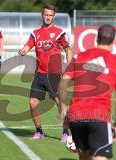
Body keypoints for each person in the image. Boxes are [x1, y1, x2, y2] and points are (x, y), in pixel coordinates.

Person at [58, 25, 116, 160]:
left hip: (76, 117)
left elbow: (61, 86)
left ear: (97, 38)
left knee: (84, 158)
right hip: (99, 117)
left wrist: (65, 113)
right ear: (114, 41)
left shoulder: (79, 57)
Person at [18, 4, 73, 141]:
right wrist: (23, 50)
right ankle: (39, 132)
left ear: (53, 16)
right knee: (32, 103)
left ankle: (66, 132)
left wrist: (70, 65)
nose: (48, 17)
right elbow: (28, 46)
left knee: (59, 103)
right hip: (39, 74)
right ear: (41, 15)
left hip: (54, 74)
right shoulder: (35, 33)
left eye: (50, 15)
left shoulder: (59, 32)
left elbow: (68, 49)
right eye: (46, 14)